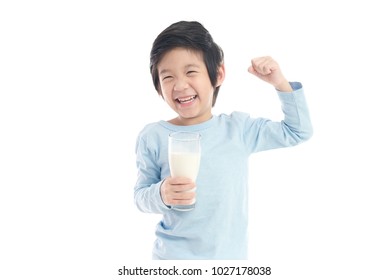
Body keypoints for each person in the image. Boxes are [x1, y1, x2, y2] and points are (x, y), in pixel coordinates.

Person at [134, 20, 313, 260]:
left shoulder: (238, 129)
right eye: (167, 77)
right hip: (171, 260)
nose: (179, 85)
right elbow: (140, 197)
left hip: (229, 263)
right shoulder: (153, 136)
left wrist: (280, 83)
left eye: (190, 72)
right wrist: (161, 194)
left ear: (217, 74)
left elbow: (298, 131)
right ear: (158, 87)